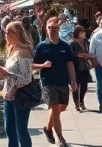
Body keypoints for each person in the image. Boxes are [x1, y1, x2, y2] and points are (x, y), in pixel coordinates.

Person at [33, 17, 78, 147]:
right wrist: (43, 65)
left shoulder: (65, 46)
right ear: (46, 29)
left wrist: (73, 80)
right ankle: (61, 139)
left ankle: (47, 128)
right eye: (50, 28)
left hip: (63, 81)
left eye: (55, 28)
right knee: (55, 109)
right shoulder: (42, 46)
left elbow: (70, 64)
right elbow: (32, 65)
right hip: (48, 82)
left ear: (59, 29)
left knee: (61, 107)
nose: (52, 30)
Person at [0, 22, 34, 147]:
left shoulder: (24, 52)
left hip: (21, 96)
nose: (6, 35)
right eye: (6, 32)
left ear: (18, 34)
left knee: (21, 130)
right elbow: (12, 73)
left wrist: (6, 73)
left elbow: (26, 78)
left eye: (9, 32)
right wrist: (1, 71)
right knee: (9, 130)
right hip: (8, 95)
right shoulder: (12, 49)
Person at [69, 25, 93, 112]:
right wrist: (80, 55)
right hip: (75, 67)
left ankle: (81, 100)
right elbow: (71, 54)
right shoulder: (73, 43)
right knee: (75, 87)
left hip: (85, 66)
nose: (84, 33)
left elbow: (90, 51)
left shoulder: (87, 42)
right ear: (77, 33)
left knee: (84, 87)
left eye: (84, 31)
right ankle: (77, 104)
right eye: (82, 32)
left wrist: (88, 55)